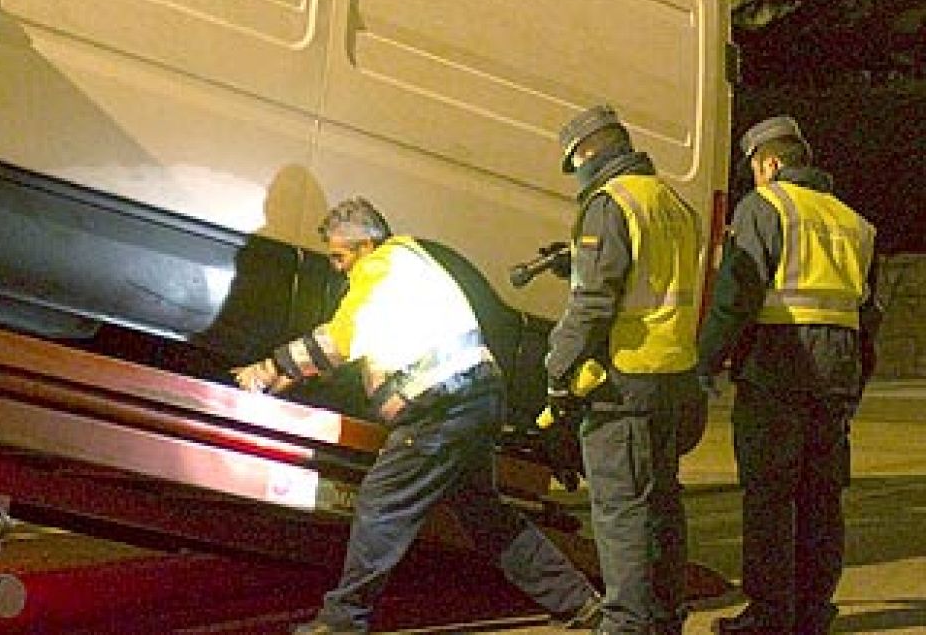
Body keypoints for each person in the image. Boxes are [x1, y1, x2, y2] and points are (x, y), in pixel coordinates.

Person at [233, 197, 602, 635]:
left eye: (340, 256)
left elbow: (340, 339)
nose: (337, 267)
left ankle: (343, 621)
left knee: (381, 504)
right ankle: (581, 603)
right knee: (486, 516)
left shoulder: (378, 270)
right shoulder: (413, 257)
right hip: (477, 395)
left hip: (441, 409)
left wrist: (269, 369)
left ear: (366, 246)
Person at [698, 116, 882, 635]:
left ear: (771, 164)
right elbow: (869, 316)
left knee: (770, 496)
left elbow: (736, 299)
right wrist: (855, 383)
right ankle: (813, 612)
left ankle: (769, 614)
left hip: (778, 369)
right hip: (837, 374)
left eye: (756, 169)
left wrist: (705, 362)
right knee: (822, 496)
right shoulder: (854, 222)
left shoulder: (766, 207)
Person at [546, 105, 703, 635]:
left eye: (576, 163)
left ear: (589, 152)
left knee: (620, 513)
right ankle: (663, 619)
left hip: (623, 380)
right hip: (673, 375)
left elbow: (594, 303)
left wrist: (558, 366)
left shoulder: (610, 203)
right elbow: (653, 278)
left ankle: (626, 625)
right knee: (662, 505)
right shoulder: (671, 201)